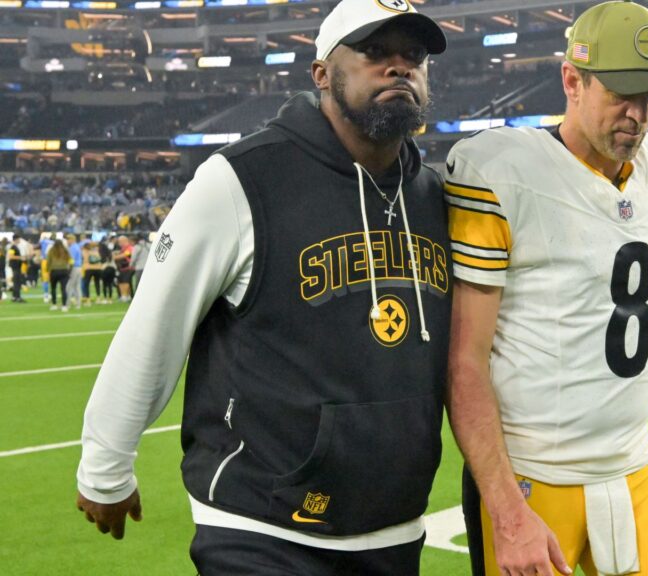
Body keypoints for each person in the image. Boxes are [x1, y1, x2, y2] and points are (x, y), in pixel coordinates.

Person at [76, 2, 450, 574]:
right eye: (376, 52)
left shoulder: (432, 195)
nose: (400, 68)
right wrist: (106, 467)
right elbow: (154, 325)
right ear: (322, 73)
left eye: (414, 56)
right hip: (261, 525)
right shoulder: (239, 180)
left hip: (392, 524)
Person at [446, 3, 648, 575]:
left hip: (633, 463)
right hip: (534, 475)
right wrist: (503, 505)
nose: (638, 114)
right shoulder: (500, 168)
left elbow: (646, 319)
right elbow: (464, 361)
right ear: (572, 80)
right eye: (621, 93)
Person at [46, 238, 72, 311]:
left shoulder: (51, 251)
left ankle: (54, 304)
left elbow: (48, 261)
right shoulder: (65, 250)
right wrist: (69, 270)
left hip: (54, 271)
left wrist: (48, 270)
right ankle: (64, 305)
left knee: (53, 288)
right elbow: (70, 260)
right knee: (63, 289)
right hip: (64, 271)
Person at [7, 233, 26, 303]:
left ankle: (14, 297)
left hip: (16, 266)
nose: (20, 240)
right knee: (17, 281)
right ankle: (17, 297)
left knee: (16, 281)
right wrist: (20, 257)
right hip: (15, 266)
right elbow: (10, 256)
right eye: (19, 239)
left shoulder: (14, 246)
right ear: (16, 239)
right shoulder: (13, 247)